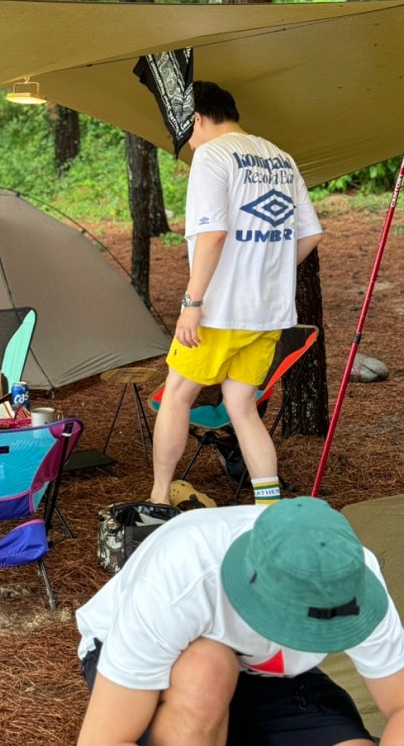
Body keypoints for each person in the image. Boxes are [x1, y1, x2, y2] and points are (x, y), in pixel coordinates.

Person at [76, 497, 404, 746]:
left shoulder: (349, 576)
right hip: (160, 661)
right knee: (207, 666)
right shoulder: (181, 575)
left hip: (267, 671)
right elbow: (104, 739)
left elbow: (403, 707)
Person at [151, 80, 322, 507]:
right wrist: (268, 271)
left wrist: (192, 303)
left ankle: (158, 498)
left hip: (220, 310)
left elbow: (212, 234)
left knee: (177, 395)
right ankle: (268, 504)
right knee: (241, 406)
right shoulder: (280, 157)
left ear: (197, 118)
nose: (187, 142)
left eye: (184, 130)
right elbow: (311, 234)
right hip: (268, 312)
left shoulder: (212, 155)